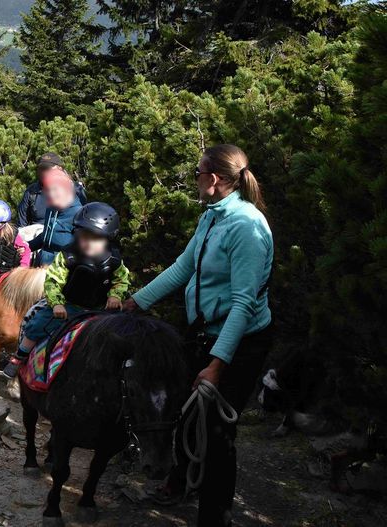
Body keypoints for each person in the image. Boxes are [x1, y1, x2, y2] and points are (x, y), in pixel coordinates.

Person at [123, 144, 273, 527]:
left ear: (216, 179)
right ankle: (179, 482)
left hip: (239, 344)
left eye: (198, 172)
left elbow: (243, 305)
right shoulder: (213, 216)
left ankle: (213, 517)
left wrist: (217, 365)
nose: (195, 177)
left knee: (218, 436)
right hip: (206, 333)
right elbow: (183, 267)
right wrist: (135, 303)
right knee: (187, 415)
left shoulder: (246, 228)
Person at [2, 202, 129, 379]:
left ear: (107, 238)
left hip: (99, 309)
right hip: (69, 306)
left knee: (121, 333)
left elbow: (122, 280)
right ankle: (19, 357)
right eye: (83, 236)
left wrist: (116, 295)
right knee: (37, 323)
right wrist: (57, 303)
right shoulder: (68, 255)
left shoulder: (114, 260)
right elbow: (53, 280)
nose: (88, 242)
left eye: (95, 238)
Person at [27, 167, 84, 267]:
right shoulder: (52, 209)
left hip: (60, 272)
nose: (51, 194)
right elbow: (46, 236)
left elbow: (82, 250)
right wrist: (27, 246)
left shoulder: (79, 214)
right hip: (40, 266)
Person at [17, 152, 87, 227]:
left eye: (48, 168)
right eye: (41, 168)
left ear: (60, 169)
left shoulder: (76, 190)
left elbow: (84, 220)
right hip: (37, 234)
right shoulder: (31, 191)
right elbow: (21, 224)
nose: (44, 172)